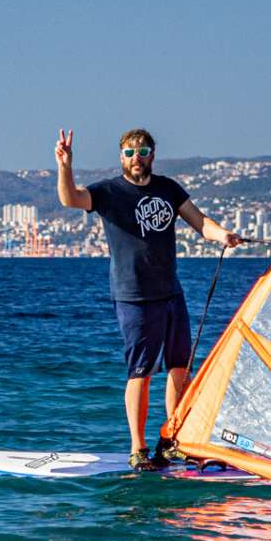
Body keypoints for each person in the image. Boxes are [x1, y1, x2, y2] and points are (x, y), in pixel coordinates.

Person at [55, 127, 240, 470]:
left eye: (143, 151)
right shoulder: (108, 192)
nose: (136, 158)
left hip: (171, 292)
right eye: (129, 153)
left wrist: (223, 235)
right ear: (121, 157)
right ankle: (138, 450)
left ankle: (173, 441)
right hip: (134, 297)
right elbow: (70, 199)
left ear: (152, 154)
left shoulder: (168, 189)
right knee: (140, 372)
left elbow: (200, 222)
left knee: (179, 367)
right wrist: (65, 165)